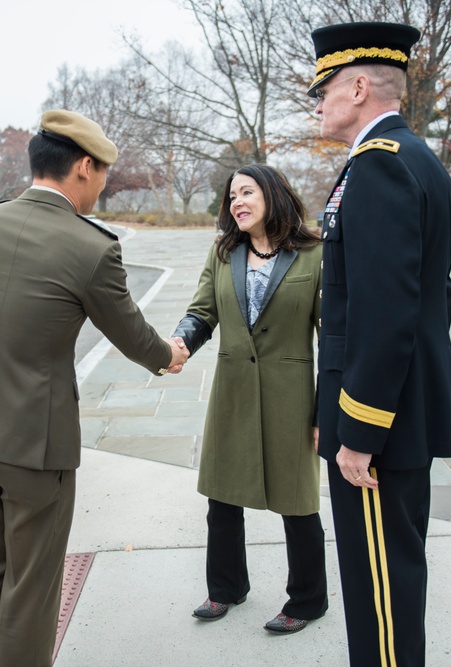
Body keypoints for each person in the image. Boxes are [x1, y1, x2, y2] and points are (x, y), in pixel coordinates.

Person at [0, 109, 190, 667]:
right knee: (32, 582)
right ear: (83, 166)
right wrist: (169, 355)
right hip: (35, 442)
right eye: (102, 173)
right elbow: (133, 336)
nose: (103, 185)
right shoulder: (90, 246)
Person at [309, 22, 451, 666]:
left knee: (380, 588)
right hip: (400, 409)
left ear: (356, 86)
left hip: (382, 420)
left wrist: (361, 431)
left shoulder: (378, 168)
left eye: (322, 89)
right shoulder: (414, 159)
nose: (316, 103)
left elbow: (384, 313)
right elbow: (433, 297)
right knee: (394, 575)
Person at [172, 165, 327, 634]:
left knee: (298, 505)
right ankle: (225, 589)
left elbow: (333, 336)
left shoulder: (315, 254)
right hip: (233, 392)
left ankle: (308, 599)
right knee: (222, 497)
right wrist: (178, 344)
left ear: (274, 194)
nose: (237, 201)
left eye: (247, 191)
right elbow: (202, 311)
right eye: (231, 195)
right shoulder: (224, 252)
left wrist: (327, 412)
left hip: (292, 397)